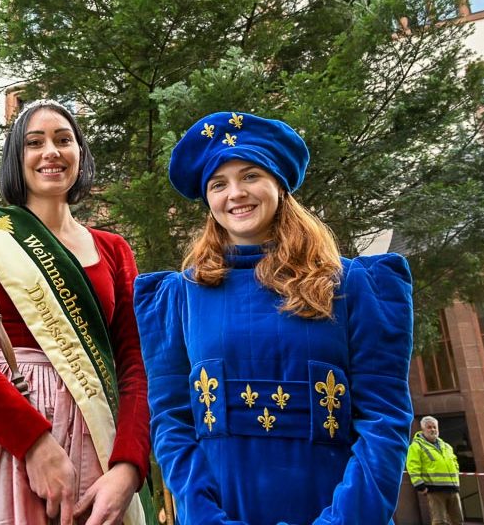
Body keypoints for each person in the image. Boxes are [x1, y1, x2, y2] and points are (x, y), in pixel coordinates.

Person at [134, 111, 414, 524]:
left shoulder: (355, 285)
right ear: (208, 199)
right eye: (219, 184)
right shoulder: (179, 297)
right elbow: (172, 425)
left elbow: (383, 420)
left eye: (250, 176)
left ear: (279, 185)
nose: (235, 194)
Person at [0, 100, 152, 525]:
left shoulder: (114, 250)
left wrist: (128, 466)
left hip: (96, 438)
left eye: (63, 140)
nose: (51, 151)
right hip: (5, 437)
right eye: (34, 142)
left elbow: (134, 365)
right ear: (18, 158)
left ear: (80, 155)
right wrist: (33, 442)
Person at [406, 416, 463, 525]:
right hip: (435, 489)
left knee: (458, 520)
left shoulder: (446, 446)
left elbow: (455, 462)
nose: (433, 430)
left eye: (434, 427)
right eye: (429, 427)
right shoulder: (416, 446)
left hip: (452, 488)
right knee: (439, 521)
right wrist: (419, 485)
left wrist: (456, 480)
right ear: (423, 429)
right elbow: (413, 466)